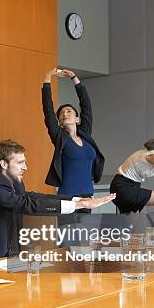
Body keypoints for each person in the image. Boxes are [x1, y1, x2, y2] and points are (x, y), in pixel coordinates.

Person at [0, 140, 115, 263]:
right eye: (20, 162)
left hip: (2, 257)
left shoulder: (12, 183)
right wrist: (79, 205)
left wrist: (77, 200)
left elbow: (34, 197)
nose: (25, 167)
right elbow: (25, 205)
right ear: (3, 164)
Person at [42, 68, 105, 212]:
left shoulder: (85, 135)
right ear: (59, 121)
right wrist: (47, 78)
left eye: (69, 111)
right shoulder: (60, 137)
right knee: (69, 234)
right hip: (68, 197)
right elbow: (48, 110)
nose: (65, 113)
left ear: (77, 119)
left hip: (88, 195)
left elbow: (86, 107)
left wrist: (75, 79)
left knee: (85, 233)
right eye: (62, 113)